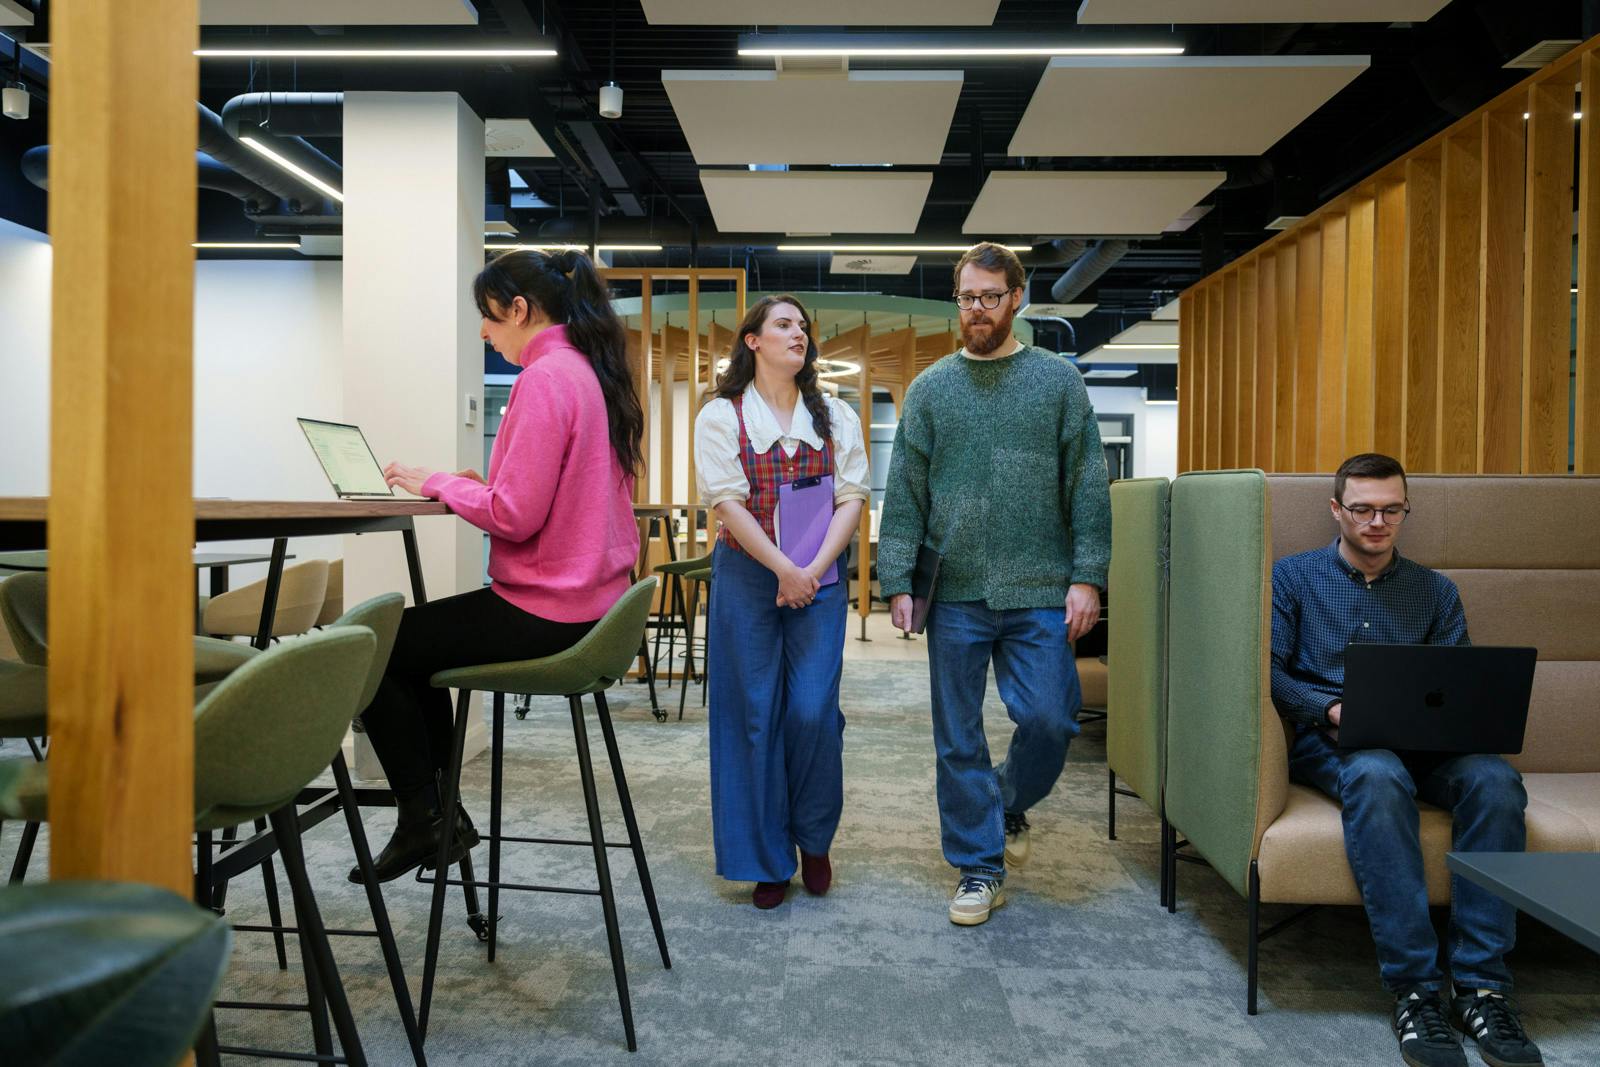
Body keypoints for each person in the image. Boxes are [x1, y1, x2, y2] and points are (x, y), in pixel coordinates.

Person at [354, 248, 644, 883]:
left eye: (488, 318)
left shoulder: (544, 378)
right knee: (411, 647)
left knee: (376, 650)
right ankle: (432, 817)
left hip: (547, 610)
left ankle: (426, 818)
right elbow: (561, 498)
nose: (484, 334)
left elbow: (514, 518)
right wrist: (477, 487)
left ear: (521, 309)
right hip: (594, 607)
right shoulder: (591, 372)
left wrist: (433, 482)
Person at [1271, 453, 1541, 1067]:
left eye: (1391, 510)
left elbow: (1458, 682)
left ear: (1404, 511)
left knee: (1497, 782)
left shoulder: (1435, 591)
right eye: (1363, 509)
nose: (1377, 522)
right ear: (1336, 510)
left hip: (1429, 746)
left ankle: (1483, 986)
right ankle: (1415, 989)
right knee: (1376, 772)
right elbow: (1271, 672)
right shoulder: (1294, 579)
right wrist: (1331, 709)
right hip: (1338, 741)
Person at [878, 243, 1111, 926]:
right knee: (957, 734)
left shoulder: (1057, 382)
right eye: (965, 297)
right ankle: (979, 864)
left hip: (1040, 586)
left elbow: (1088, 485)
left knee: (1050, 717)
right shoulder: (930, 389)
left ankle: (1006, 802)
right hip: (954, 593)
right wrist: (898, 580)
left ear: (1017, 299)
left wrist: (1087, 576)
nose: (975, 310)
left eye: (988, 296)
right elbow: (906, 494)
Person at [694, 294, 869, 909]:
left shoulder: (835, 417)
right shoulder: (722, 415)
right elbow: (726, 503)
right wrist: (782, 568)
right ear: (753, 341)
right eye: (784, 324)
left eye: (803, 327)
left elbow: (852, 498)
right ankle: (768, 858)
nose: (799, 334)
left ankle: (813, 835)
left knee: (813, 710)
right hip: (747, 575)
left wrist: (813, 571)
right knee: (752, 713)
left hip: (818, 579)